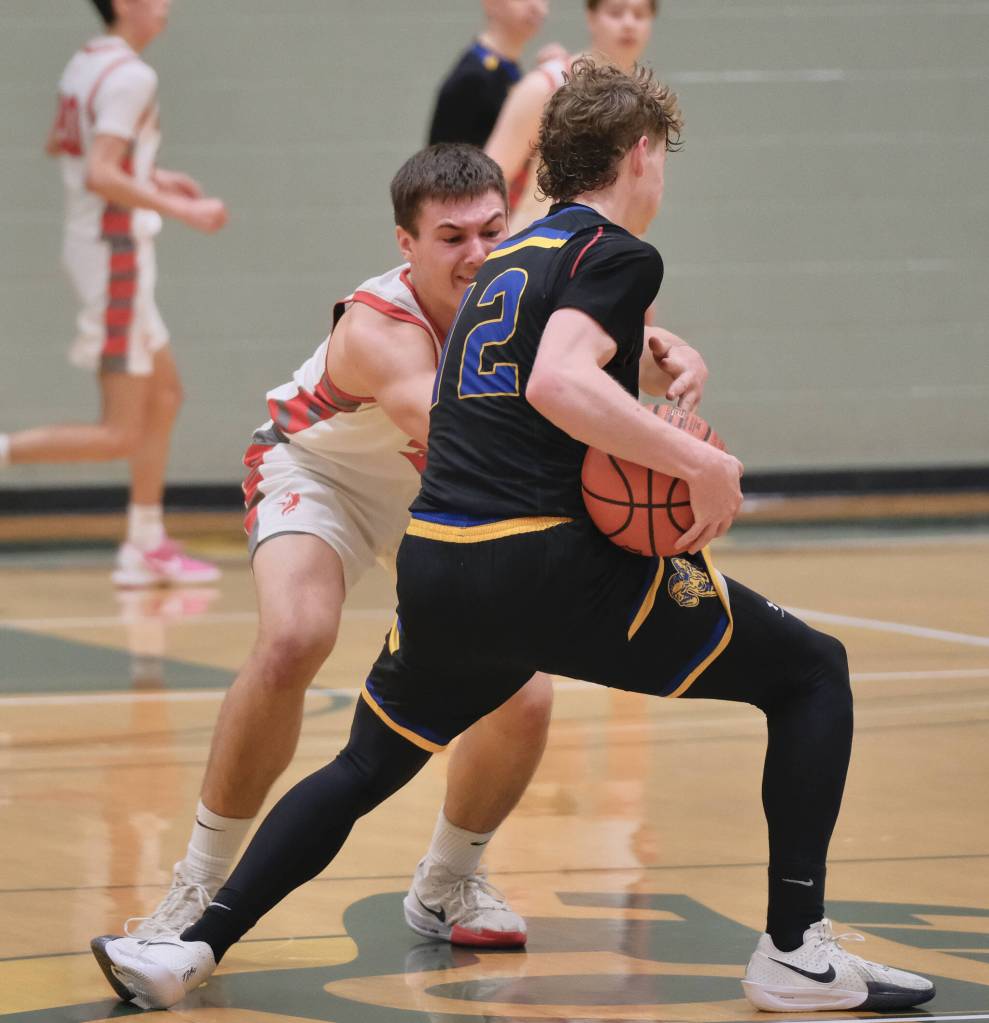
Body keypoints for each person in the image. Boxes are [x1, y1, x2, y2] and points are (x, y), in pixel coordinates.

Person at [91, 65, 936, 1014]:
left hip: (441, 557)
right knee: (811, 669)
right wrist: (695, 464)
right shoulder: (612, 254)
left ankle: (187, 950)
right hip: (504, 545)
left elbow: (528, 385)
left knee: (369, 761)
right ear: (641, 156)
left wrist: (655, 366)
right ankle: (795, 949)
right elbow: (558, 387)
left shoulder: (509, 259)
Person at [0, 0, 227, 586]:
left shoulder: (88, 61)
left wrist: (151, 174)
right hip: (113, 253)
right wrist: (182, 207)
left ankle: (144, 542)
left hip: (100, 246)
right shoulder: (132, 74)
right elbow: (101, 173)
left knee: (166, 394)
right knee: (121, 430)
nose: (168, 6)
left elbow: (72, 154)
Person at [486, 0, 656, 229]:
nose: (628, 24)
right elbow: (489, 180)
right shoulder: (545, 84)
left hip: (605, 249)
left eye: (639, 14)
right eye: (615, 13)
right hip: (539, 248)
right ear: (591, 17)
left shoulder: (647, 99)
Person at [427, 0, 557, 149]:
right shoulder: (472, 79)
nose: (537, 6)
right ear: (490, 3)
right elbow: (447, 166)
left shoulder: (508, 70)